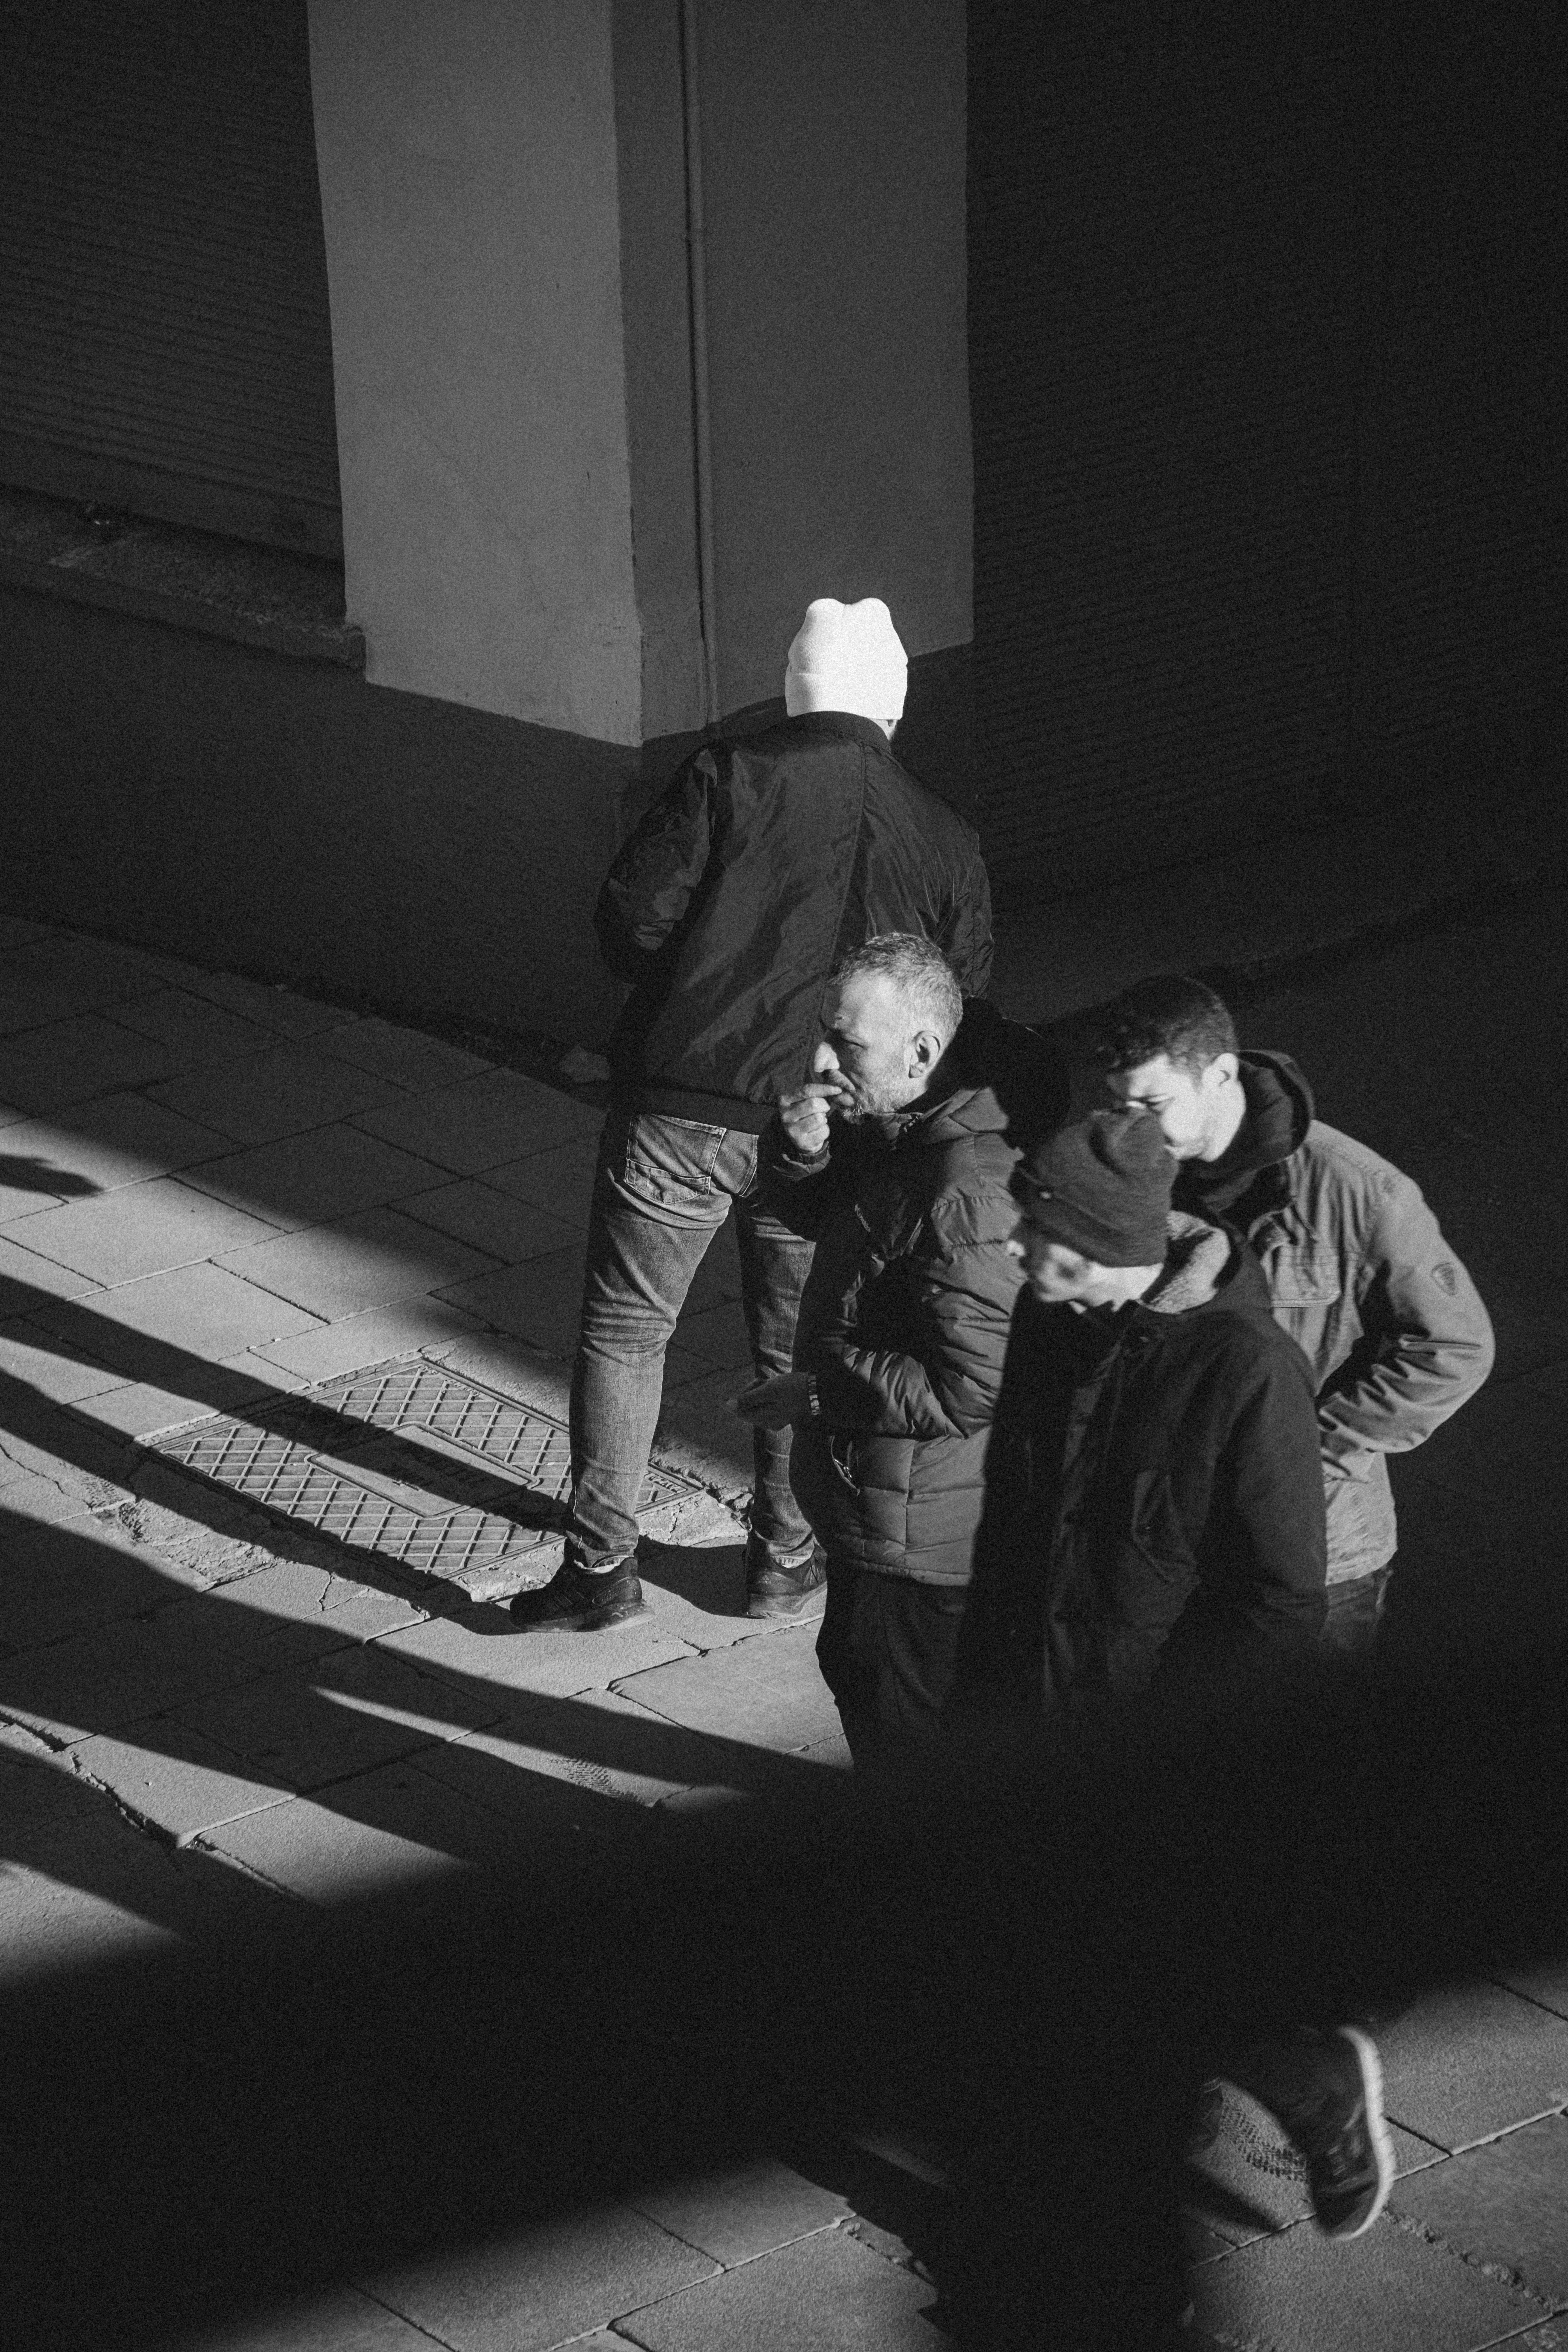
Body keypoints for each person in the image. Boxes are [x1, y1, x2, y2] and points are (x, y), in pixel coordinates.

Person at [512, 599, 992, 1633]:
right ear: (894, 702)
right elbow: (964, 1005)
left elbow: (631, 922)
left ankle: (601, 1568)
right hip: (834, 1133)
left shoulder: (726, 776)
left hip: (684, 1104)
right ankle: (783, 1556)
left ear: (792, 684)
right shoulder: (947, 835)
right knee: (796, 1351)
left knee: (628, 1336)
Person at [1086, 976, 1494, 1650]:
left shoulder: (1360, 1193)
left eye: (1153, 1103)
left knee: (1302, 1748)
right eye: (1119, 1105)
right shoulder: (1142, 1174)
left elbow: (1455, 1348)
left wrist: (1310, 1453)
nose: (1132, 1128)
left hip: (1321, 1560)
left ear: (1219, 1074)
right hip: (1177, 1545)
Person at [730, 934, 1025, 1759]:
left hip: (923, 1544)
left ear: (922, 1050)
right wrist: (805, 1155)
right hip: (882, 1513)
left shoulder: (964, 1191)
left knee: (905, 1737)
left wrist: (820, 1392)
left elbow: (971, 1386)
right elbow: (837, 1226)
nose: (822, 1058)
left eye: (848, 1043)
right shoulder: (901, 1132)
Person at [966, 1107, 1328, 1712]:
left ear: (1096, 1238)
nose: (1011, 1243)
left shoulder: (1248, 1368)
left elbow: (1279, 1603)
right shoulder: (1044, 1316)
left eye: (1035, 1223)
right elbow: (1009, 1517)